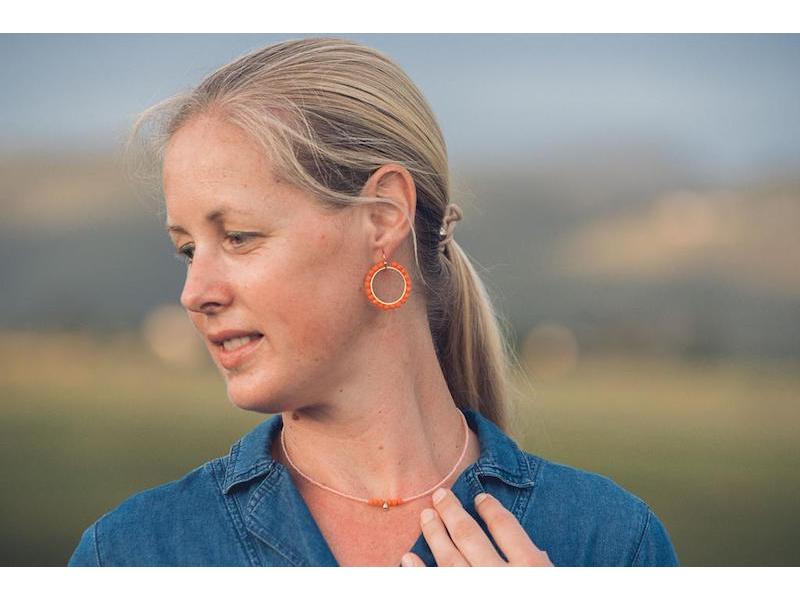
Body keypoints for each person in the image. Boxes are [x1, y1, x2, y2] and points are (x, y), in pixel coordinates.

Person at [67, 37, 679, 567]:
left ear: (383, 218)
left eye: (239, 237)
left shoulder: (612, 542)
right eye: (186, 250)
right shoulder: (131, 554)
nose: (195, 293)